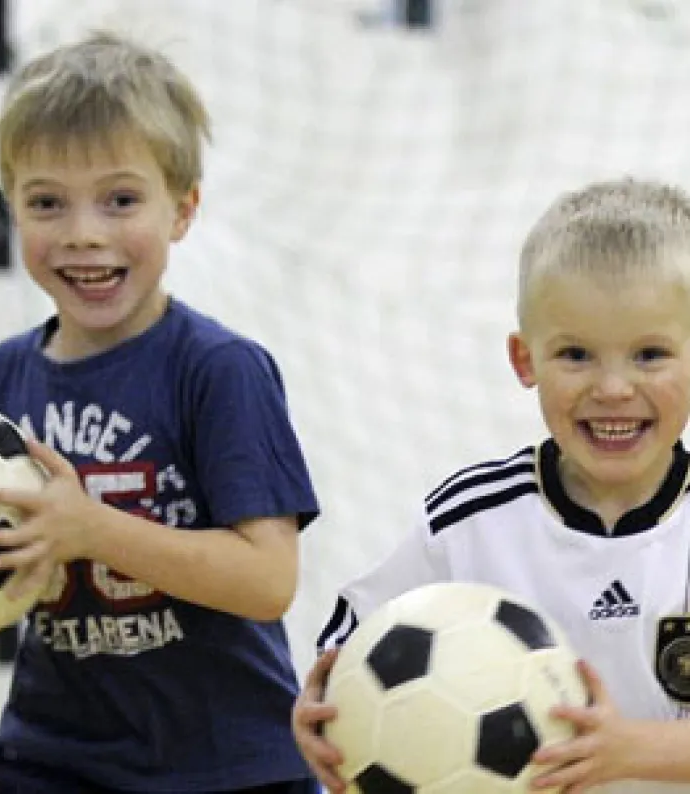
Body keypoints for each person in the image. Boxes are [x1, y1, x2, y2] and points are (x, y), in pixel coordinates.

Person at [0, 31, 322, 793]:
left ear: (183, 210)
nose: (83, 233)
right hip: (55, 763)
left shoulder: (218, 370)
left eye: (120, 199)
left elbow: (266, 581)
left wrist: (93, 529)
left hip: (224, 771)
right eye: (47, 203)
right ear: (13, 211)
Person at [292, 178, 690, 794]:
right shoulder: (468, 523)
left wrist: (630, 750)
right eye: (576, 354)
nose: (613, 387)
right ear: (524, 359)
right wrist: (320, 712)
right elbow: (350, 650)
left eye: (649, 355)